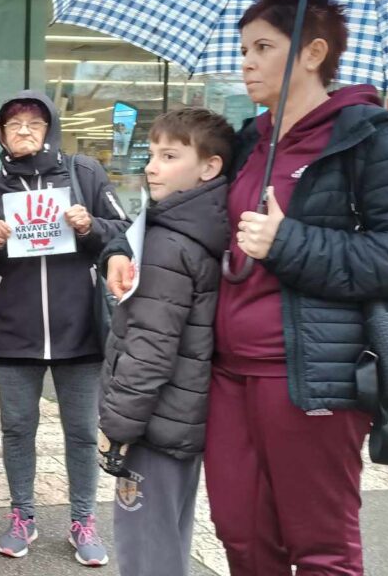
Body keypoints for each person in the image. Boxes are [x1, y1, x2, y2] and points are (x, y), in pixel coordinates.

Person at [105, 0, 388, 575]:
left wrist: (290, 242)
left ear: (313, 53)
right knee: (241, 533)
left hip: (313, 377)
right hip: (228, 375)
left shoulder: (369, 136)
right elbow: (182, 203)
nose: (247, 62)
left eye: (263, 47)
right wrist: (115, 246)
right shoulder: (248, 141)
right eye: (243, 48)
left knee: (318, 546)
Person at [0, 91, 130, 567]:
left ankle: (83, 520)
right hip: (14, 329)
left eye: (34, 123)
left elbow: (125, 232)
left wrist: (89, 225)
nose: (25, 131)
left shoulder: (84, 174)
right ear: (1, 134)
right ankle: (22, 515)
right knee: (17, 428)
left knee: (81, 430)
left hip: (80, 329)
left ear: (50, 128)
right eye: (13, 125)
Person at [97, 108, 234, 576]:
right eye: (152, 153)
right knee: (169, 538)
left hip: (152, 424)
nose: (152, 166)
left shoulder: (168, 243)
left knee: (143, 550)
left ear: (209, 167)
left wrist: (117, 427)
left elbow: (150, 349)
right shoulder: (204, 230)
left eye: (170, 155)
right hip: (182, 419)